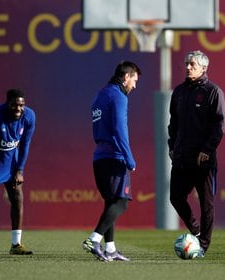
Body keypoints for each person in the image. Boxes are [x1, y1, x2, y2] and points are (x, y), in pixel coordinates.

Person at [168, 50, 225, 258]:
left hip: (204, 159)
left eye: (192, 64)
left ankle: (202, 245)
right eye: (186, 64)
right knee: (175, 197)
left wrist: (207, 149)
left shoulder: (213, 91)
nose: (188, 67)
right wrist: (172, 146)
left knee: (206, 204)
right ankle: (196, 231)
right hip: (182, 157)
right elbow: (173, 123)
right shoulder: (179, 92)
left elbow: (220, 125)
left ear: (204, 68)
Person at [82, 61, 141, 262]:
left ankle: (110, 249)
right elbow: (119, 130)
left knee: (111, 203)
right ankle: (93, 239)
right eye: (134, 80)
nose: (134, 85)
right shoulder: (118, 96)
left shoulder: (100, 95)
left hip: (99, 157)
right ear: (126, 77)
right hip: (114, 157)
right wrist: (129, 158)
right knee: (121, 203)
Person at [0, 88, 36, 255]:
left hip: (11, 162)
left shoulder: (29, 116)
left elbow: (25, 145)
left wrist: (20, 170)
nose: (18, 109)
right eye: (14, 105)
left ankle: (16, 244)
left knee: (17, 197)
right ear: (7, 103)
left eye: (21, 105)